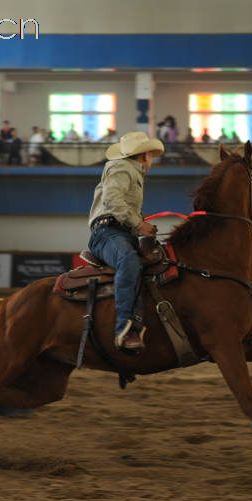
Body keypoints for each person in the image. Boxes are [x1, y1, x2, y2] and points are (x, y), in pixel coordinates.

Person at [88, 131, 163, 351]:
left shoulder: (132, 172)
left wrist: (139, 225)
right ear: (145, 154)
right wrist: (139, 225)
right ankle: (124, 328)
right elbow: (113, 200)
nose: (152, 160)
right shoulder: (121, 167)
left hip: (121, 232)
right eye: (151, 155)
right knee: (129, 260)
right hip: (107, 232)